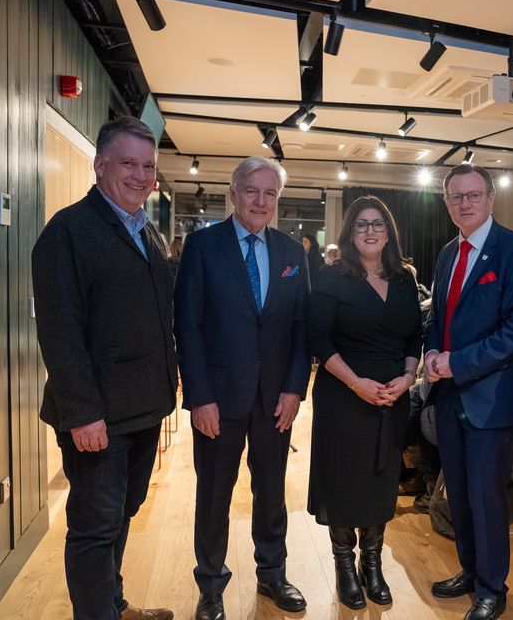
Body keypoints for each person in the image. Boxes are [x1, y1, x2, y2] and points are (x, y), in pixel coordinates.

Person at [32, 116, 177, 620]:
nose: (140, 175)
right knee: (94, 528)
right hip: (97, 419)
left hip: (143, 409)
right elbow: (59, 333)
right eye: (128, 164)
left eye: (148, 166)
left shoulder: (146, 231)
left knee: (121, 514)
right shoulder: (68, 231)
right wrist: (82, 413)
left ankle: (112, 606)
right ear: (100, 165)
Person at [174, 156, 311, 620]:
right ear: (233, 193)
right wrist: (199, 397)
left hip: (276, 400)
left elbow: (301, 329)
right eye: (252, 191)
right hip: (218, 396)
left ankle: (273, 575)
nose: (261, 201)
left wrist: (295, 389)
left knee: (272, 492)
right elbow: (187, 326)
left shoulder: (293, 254)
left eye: (270, 193)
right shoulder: (202, 246)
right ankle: (211, 585)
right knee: (214, 493)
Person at [424, 164, 513, 620]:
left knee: (487, 498)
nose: (464, 203)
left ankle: (492, 587)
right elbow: (437, 319)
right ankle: (469, 571)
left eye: (473, 195)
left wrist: (456, 363)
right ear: (447, 204)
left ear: (491, 198)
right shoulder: (448, 253)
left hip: (490, 399)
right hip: (449, 396)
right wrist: (432, 354)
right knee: (460, 494)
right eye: (455, 197)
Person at [306, 196, 422, 609]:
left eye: (377, 224)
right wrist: (357, 384)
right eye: (361, 225)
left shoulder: (405, 278)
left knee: (381, 477)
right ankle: (343, 563)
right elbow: (318, 339)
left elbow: (414, 336)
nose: (370, 231)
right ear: (350, 232)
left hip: (392, 396)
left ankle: (372, 563)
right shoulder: (332, 276)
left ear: (388, 231)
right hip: (344, 393)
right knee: (343, 478)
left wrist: (408, 378)